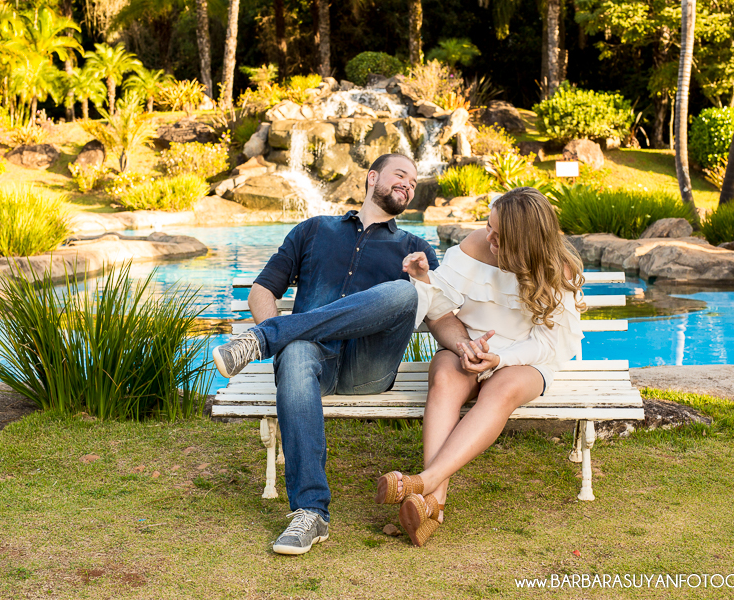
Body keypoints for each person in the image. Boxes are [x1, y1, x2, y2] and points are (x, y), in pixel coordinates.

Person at [212, 153, 474, 555]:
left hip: (370, 366)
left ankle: (264, 339)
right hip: (310, 364)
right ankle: (311, 514)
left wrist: (462, 341)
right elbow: (262, 291)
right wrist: (287, 341)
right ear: (372, 178)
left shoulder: (416, 247)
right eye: (400, 175)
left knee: (407, 290)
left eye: (413, 181)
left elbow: (440, 317)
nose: (408, 184)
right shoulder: (313, 230)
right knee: (297, 351)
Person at [375, 187, 587, 547]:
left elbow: (549, 345)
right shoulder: (476, 245)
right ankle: (434, 503)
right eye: (489, 226)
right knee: (443, 375)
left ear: (524, 242)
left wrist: (501, 359)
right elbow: (443, 303)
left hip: (525, 358)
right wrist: (424, 279)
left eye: (498, 235)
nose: (488, 237)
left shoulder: (557, 270)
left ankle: (425, 485)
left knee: (501, 390)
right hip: (471, 348)